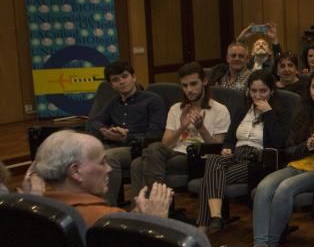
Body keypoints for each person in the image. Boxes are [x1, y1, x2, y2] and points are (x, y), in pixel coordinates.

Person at [29, 130, 256, 247]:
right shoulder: (103, 220)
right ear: (76, 172)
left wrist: (135, 220)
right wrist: (156, 225)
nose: (109, 168)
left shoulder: (39, 211)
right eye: (102, 162)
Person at [249, 70, 314, 247]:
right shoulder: (303, 112)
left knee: (284, 189)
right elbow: (289, 149)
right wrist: (307, 146)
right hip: (298, 163)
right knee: (264, 186)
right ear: (309, 90)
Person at [197, 70, 289, 233]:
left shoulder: (279, 113)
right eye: (253, 91)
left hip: (256, 160)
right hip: (236, 154)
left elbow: (280, 142)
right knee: (213, 160)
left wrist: (268, 113)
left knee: (210, 178)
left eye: (263, 91)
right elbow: (230, 138)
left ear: (272, 91)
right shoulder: (242, 111)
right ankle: (217, 216)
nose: (258, 96)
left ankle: (204, 226)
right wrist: (227, 148)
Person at [131, 62, 230, 198]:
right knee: (148, 154)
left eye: (193, 84)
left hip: (197, 156)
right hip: (175, 151)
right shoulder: (176, 108)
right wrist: (182, 127)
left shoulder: (220, 110)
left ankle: (152, 207)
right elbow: (165, 145)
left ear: (205, 81)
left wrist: (201, 128)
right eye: (184, 85)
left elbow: (217, 147)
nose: (189, 90)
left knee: (139, 163)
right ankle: (151, 206)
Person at [85, 60, 166, 205]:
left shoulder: (152, 100)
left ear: (133, 77)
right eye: (116, 80)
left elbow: (155, 135)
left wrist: (126, 137)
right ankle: (89, 206)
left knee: (108, 157)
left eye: (124, 76)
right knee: (85, 155)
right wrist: (106, 131)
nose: (121, 82)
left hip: (141, 148)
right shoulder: (113, 103)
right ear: (111, 85)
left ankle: (107, 207)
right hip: (115, 144)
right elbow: (93, 122)